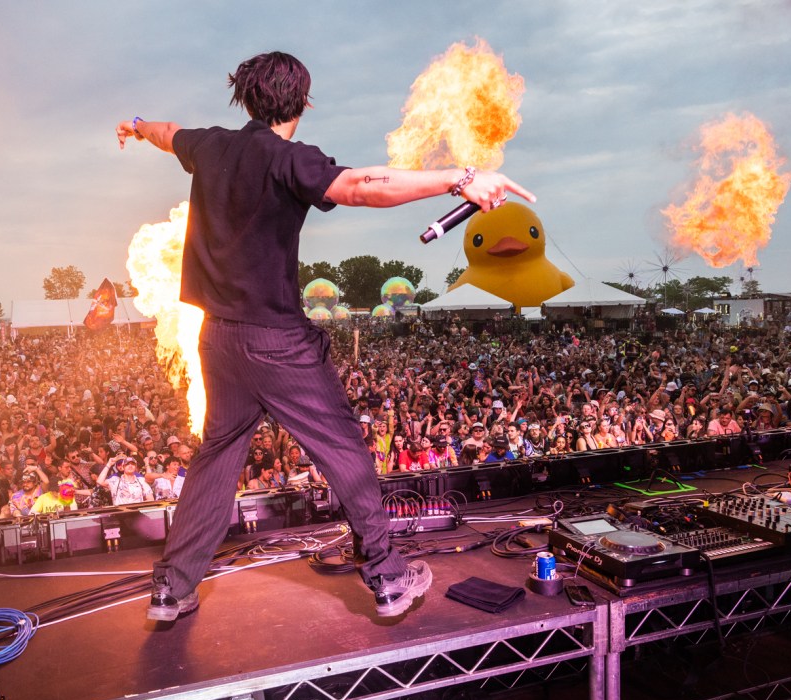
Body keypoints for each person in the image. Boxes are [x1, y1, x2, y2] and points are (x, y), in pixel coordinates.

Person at [118, 51, 534, 621]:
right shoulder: (291, 159)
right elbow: (362, 186)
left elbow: (167, 133)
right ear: (304, 103)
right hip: (276, 342)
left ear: (243, 96)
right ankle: (388, 579)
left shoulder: (211, 144)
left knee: (216, 456)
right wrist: (460, 178)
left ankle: (172, 588)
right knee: (342, 451)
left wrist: (137, 127)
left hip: (217, 339)